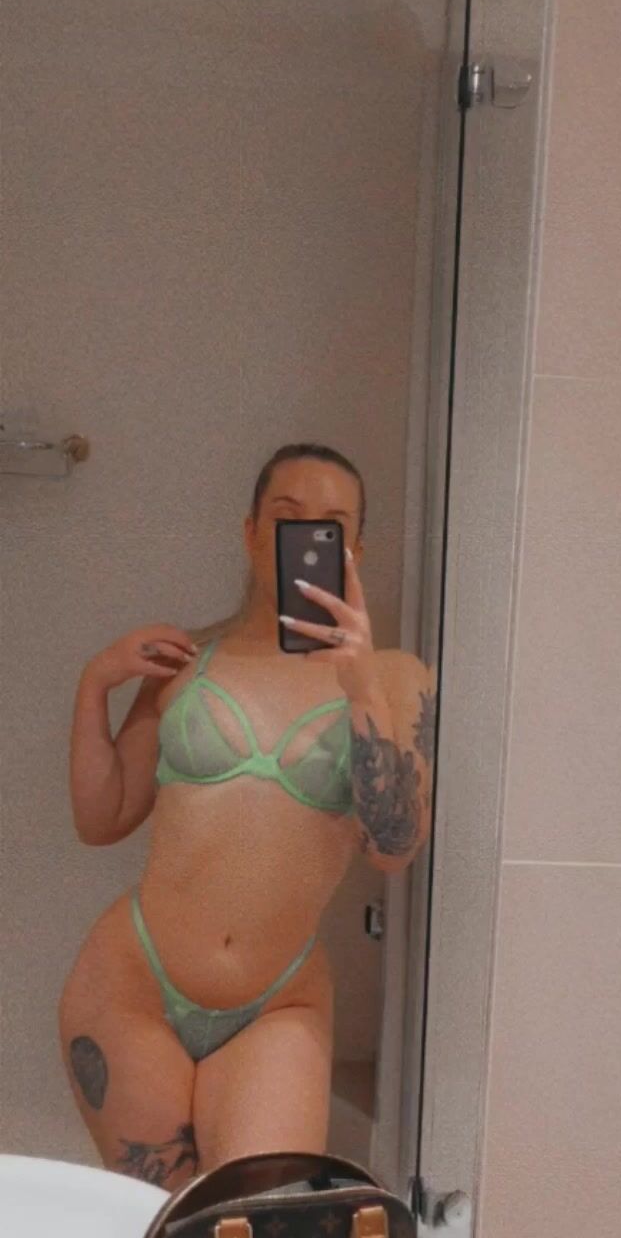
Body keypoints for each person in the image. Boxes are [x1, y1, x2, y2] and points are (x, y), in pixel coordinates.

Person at [60, 444, 435, 1189]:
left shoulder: (396, 678)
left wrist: (359, 684)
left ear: (355, 550)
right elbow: (102, 818)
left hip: (279, 1002)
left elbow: (393, 848)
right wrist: (96, 682)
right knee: (161, 1229)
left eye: (330, 526)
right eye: (286, 517)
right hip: (133, 983)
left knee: (251, 1231)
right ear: (252, 533)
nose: (305, 539)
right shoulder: (187, 660)